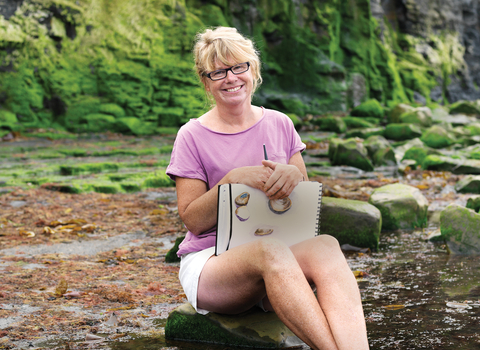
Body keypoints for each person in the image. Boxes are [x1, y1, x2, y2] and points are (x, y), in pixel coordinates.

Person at [166, 26, 369, 350]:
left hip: (281, 253)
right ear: (206, 81)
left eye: (238, 66)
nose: (231, 78)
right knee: (270, 249)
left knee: (327, 245)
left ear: (253, 69)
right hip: (214, 262)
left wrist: (294, 176)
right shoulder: (191, 136)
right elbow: (192, 220)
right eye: (218, 71)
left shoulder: (280, 123)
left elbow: (303, 202)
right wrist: (230, 182)